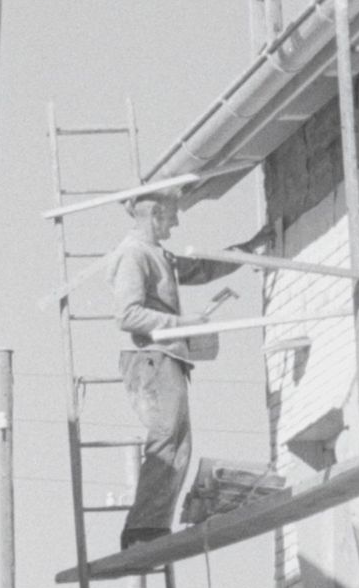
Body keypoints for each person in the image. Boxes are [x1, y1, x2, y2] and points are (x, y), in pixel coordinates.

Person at [107, 187, 282, 551]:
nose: (175, 223)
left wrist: (247, 249)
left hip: (165, 357)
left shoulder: (158, 254)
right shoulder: (134, 254)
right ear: (155, 214)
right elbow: (127, 315)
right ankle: (141, 529)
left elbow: (202, 268)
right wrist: (182, 323)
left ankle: (152, 526)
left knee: (178, 443)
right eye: (171, 215)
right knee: (167, 437)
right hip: (150, 357)